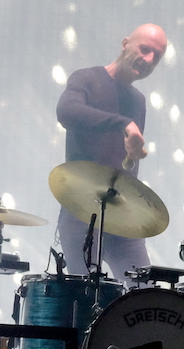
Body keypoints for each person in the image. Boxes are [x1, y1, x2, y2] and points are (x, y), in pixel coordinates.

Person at [55, 23, 167, 279]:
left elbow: (127, 162)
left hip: (123, 216)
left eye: (156, 57)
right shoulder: (86, 78)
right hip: (81, 212)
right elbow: (66, 112)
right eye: (145, 49)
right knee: (87, 296)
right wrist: (123, 124)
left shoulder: (138, 100)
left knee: (143, 296)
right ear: (125, 43)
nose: (149, 60)